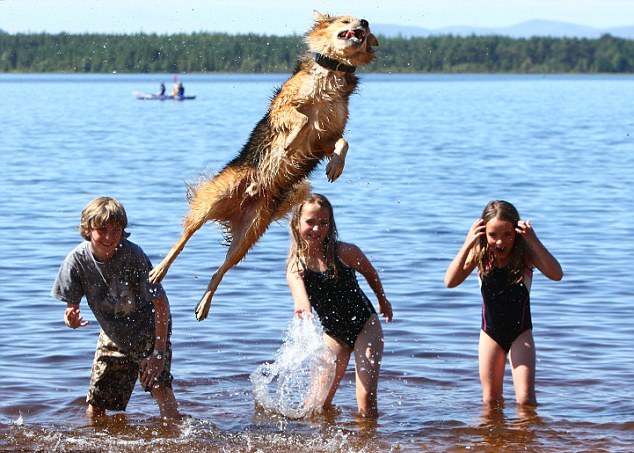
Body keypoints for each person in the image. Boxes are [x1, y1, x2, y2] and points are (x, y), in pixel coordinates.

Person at [51, 197, 181, 420]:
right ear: (88, 229)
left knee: (159, 387)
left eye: (116, 230)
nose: (110, 237)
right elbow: (71, 311)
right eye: (102, 230)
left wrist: (158, 352)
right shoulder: (76, 261)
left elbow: (161, 303)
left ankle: (176, 439)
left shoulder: (133, 256)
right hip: (113, 335)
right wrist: (71, 320)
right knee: (96, 406)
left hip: (147, 331)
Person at [444, 200, 563, 407]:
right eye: (493, 235)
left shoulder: (525, 254)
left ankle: (524, 439)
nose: (500, 242)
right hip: (490, 335)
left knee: (526, 400)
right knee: (491, 400)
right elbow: (450, 281)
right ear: (483, 233)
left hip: (521, 334)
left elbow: (557, 274)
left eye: (507, 234)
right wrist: (467, 244)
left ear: (516, 233)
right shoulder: (481, 255)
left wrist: (534, 240)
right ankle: (495, 441)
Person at [286, 193, 393, 418]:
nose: (316, 229)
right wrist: (304, 312)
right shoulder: (296, 265)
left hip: (365, 325)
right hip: (333, 334)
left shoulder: (344, 252)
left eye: (323, 223)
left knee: (366, 402)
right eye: (310, 222)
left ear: (330, 225)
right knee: (316, 405)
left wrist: (382, 301)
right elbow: (300, 297)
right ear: (297, 223)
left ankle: (368, 442)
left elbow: (371, 273)